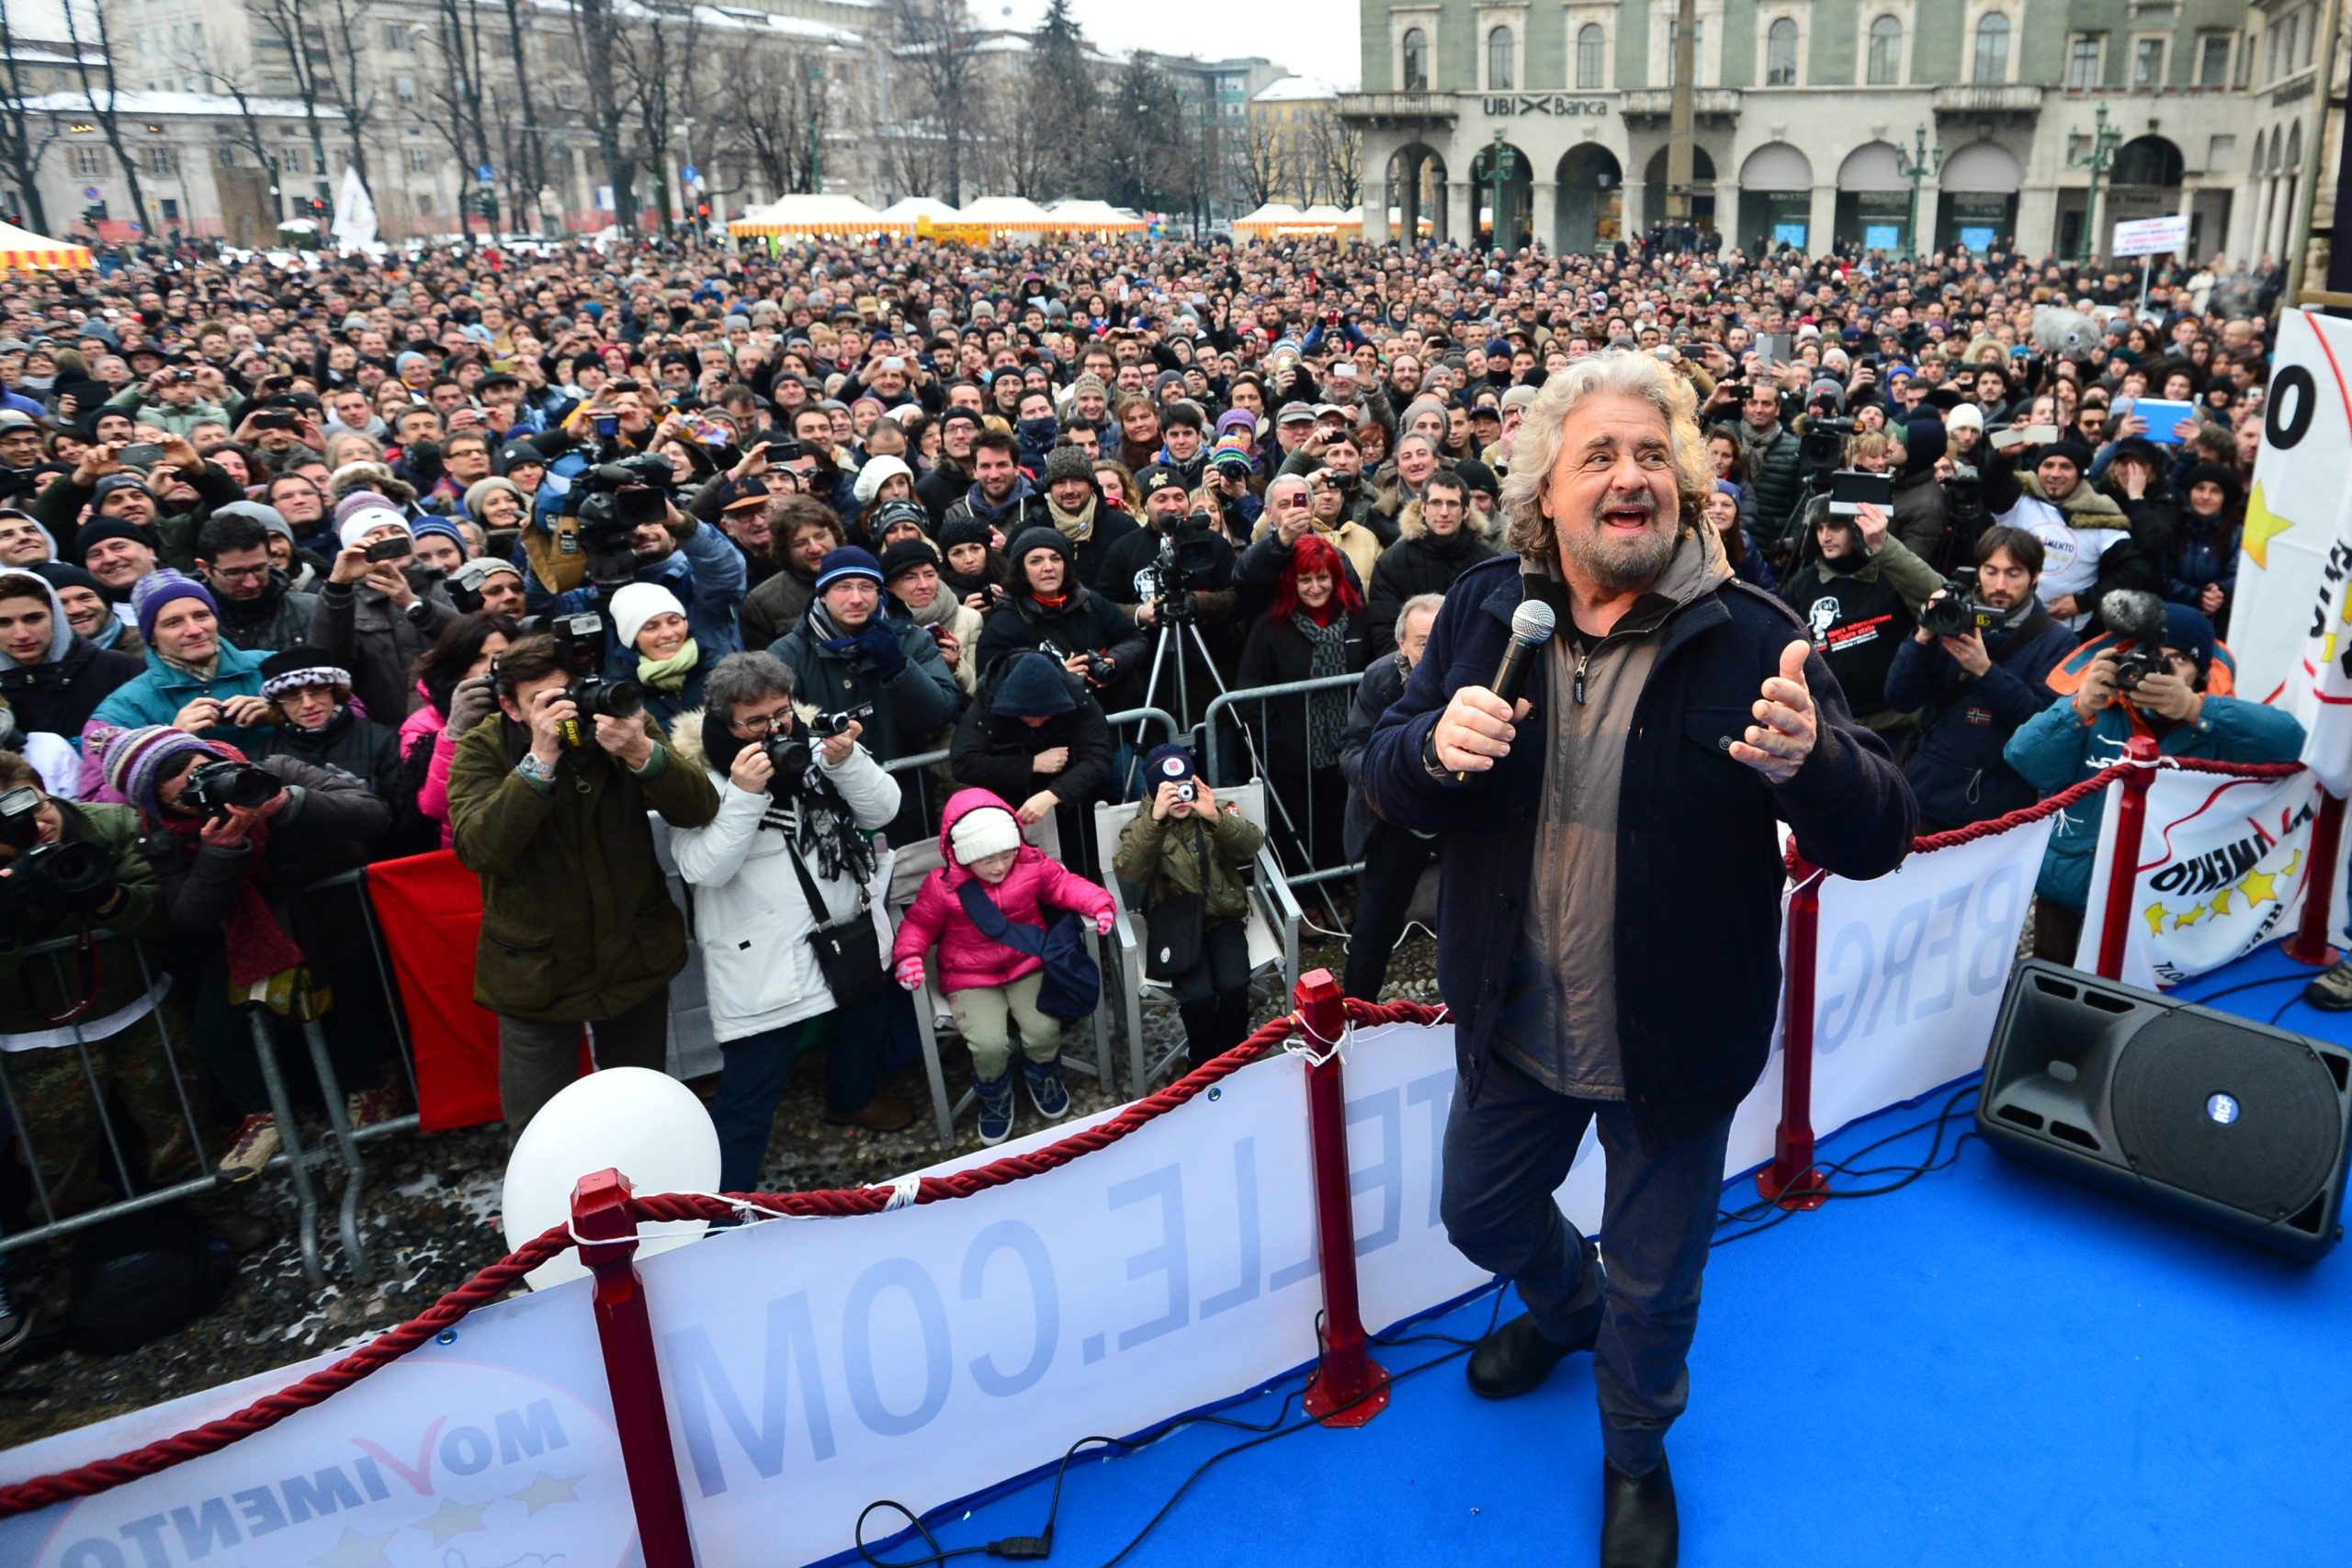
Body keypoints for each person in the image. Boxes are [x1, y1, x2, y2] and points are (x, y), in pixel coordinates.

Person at [1360, 353, 1914, 1567]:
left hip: (1674, 1042)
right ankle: (1566, 1306)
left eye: (1654, 454)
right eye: (1599, 455)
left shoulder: (1754, 636)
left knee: (1658, 1291)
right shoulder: (1482, 611)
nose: (1630, 475)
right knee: (1479, 1210)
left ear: (1691, 484)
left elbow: (1881, 830)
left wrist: (1811, 766)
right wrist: (1429, 751)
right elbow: (1382, 766)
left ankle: (1632, 1449)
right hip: (1512, 1019)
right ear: (1544, 493)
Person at [445, 631, 722, 1139]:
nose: (565, 711)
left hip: (632, 953)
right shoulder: (483, 747)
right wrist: (538, 762)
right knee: (538, 1127)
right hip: (535, 970)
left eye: (569, 693)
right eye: (543, 702)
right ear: (510, 707)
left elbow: (700, 807)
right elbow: (480, 849)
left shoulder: (617, 722)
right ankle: (550, 1215)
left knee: (639, 1107)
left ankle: (651, 1205)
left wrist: (642, 752)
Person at [102, 722, 399, 1176]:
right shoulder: (160, 833)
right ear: (155, 800)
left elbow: (372, 813)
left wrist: (287, 804)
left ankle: (371, 1095)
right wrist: (221, 854)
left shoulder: (273, 769)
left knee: (349, 1009)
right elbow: (188, 913)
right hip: (247, 936)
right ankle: (263, 1115)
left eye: (202, 768)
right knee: (213, 1028)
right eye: (178, 784)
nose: (201, 783)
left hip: (334, 919)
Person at [666, 651, 914, 1186]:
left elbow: (883, 811)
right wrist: (743, 796)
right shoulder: (695, 774)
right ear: (721, 721)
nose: (774, 728)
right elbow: (702, 868)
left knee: (863, 1021)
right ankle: (723, 1198)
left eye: (779, 713)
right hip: (761, 952)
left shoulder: (815, 739)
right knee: (752, 1085)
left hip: (843, 927)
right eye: (755, 721)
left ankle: (851, 1101)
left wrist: (847, 762)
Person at [2006, 602, 2303, 964]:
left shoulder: (2214, 723)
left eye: (2178, 660)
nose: (2160, 670)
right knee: (2050, 976)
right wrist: (2079, 705)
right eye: (2152, 655)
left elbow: (2292, 741)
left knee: (2126, 990)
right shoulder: (2100, 706)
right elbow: (2025, 760)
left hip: (2156, 900)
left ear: (2200, 672)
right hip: (2069, 880)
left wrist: (2196, 709)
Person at [0, 750, 187, 1217]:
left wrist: (109, 898)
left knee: (179, 1122)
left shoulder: (109, 825)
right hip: (36, 1039)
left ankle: (213, 1205)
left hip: (137, 1007)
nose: (37, 826)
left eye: (38, 807)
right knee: (58, 1157)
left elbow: (170, 912)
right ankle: (73, 1251)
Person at [893, 788, 1115, 1145]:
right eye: (986, 860)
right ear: (963, 856)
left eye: (1006, 855)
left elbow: (1063, 885)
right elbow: (919, 924)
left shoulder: (1030, 864)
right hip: (970, 976)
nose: (999, 866)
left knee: (1043, 1029)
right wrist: (908, 957)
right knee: (988, 1044)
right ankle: (994, 1094)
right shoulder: (943, 886)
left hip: (1026, 962)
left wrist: (1099, 903)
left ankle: (1041, 1072)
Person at [1880, 527, 2077, 834]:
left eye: (2014, 574)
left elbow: (2043, 725)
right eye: (1991, 571)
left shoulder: (2057, 640)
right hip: (1929, 791)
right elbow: (1899, 698)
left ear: (2034, 577)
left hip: (2003, 802)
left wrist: (1986, 671)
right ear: (1978, 571)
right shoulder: (1951, 616)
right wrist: (1923, 636)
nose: (2000, 585)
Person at [1114, 744, 1266, 1069]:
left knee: (1234, 984)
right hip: (1176, 925)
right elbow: (1129, 870)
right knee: (1198, 997)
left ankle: (1233, 1053)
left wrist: (1215, 817)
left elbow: (1251, 846)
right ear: (1154, 794)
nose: (1180, 800)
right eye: (1169, 792)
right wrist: (1155, 822)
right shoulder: (1142, 827)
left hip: (1223, 916)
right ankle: (1202, 1061)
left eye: (1185, 788)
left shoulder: (1218, 809)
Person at [1234, 533, 1366, 874]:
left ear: (1335, 578)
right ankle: (1306, 902)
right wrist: (1280, 743)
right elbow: (1250, 692)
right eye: (1305, 579)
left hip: (1347, 754)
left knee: (1340, 823)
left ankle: (1340, 887)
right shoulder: (1271, 626)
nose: (1315, 587)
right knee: (1296, 832)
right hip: (1292, 760)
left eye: (1322, 577)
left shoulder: (1358, 618)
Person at [1338, 592, 1442, 1001]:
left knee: (1471, 914)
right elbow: (1351, 747)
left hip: (1459, 809)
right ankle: (1354, 1017)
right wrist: (1385, 781)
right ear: (1401, 643)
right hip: (1397, 813)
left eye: (1440, 638)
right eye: (1422, 642)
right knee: (1375, 924)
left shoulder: (1475, 671)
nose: (1433, 651)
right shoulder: (1381, 678)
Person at [1778, 501, 1940, 749]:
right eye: (1819, 528)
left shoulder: (1892, 574)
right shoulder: (1802, 584)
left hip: (1894, 725)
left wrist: (1884, 547)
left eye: (1835, 527)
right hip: (1830, 726)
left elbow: (1940, 600)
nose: (1825, 536)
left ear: (1856, 528)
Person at [1979, 436, 2158, 634]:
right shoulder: (2018, 498)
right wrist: (2003, 458)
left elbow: (2136, 571)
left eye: (2065, 467)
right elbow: (1992, 484)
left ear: (2079, 474)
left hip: (2062, 629)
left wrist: (2083, 601)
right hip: (2003, 619)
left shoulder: (2101, 515)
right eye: (2048, 465)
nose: (2055, 474)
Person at [85, 570, 273, 749]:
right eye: (173, 623)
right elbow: (103, 779)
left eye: (201, 616)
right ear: (151, 637)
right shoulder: (125, 707)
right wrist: (172, 741)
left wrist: (280, 715)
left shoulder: (272, 666)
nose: (194, 630)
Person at [312, 501, 457, 728]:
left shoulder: (440, 585)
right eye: (376, 537)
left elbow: (467, 639)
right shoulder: (346, 599)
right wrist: (338, 587)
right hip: (383, 727)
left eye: (397, 532)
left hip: (450, 718)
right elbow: (330, 662)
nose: (389, 540)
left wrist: (414, 604)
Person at [396, 612, 514, 849]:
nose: (489, 669)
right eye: (477, 659)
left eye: (501, 656)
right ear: (458, 667)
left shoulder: (532, 702)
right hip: (469, 847)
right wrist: (455, 732)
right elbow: (435, 806)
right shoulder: (422, 725)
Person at [0, 570, 141, 743]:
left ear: (55, 617)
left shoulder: (119, 669)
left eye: (33, 619)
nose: (21, 634)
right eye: (4, 623)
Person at [1364, 470, 1497, 657]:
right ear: (1423, 509)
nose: (1443, 512)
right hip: (1412, 671)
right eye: (1436, 503)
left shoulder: (1488, 564)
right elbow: (1384, 632)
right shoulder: (1392, 563)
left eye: (1452, 504)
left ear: (1465, 511)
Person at [195, 506, 319, 655]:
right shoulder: (191, 626)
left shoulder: (311, 610)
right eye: (234, 573)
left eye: (259, 568)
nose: (251, 583)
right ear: (205, 568)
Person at [737, 495, 845, 653]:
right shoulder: (761, 603)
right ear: (785, 551)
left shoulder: (868, 577)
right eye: (801, 543)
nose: (815, 548)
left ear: (834, 534)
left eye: (821, 536)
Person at [879, 536, 982, 697]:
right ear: (889, 586)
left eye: (929, 575)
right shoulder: (880, 625)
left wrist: (956, 666)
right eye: (910, 578)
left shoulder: (969, 619)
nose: (923, 585)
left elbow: (978, 690)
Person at [607, 581, 707, 728]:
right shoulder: (619, 691)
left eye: (674, 622)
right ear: (632, 638)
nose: (667, 633)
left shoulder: (717, 667)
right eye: (651, 627)